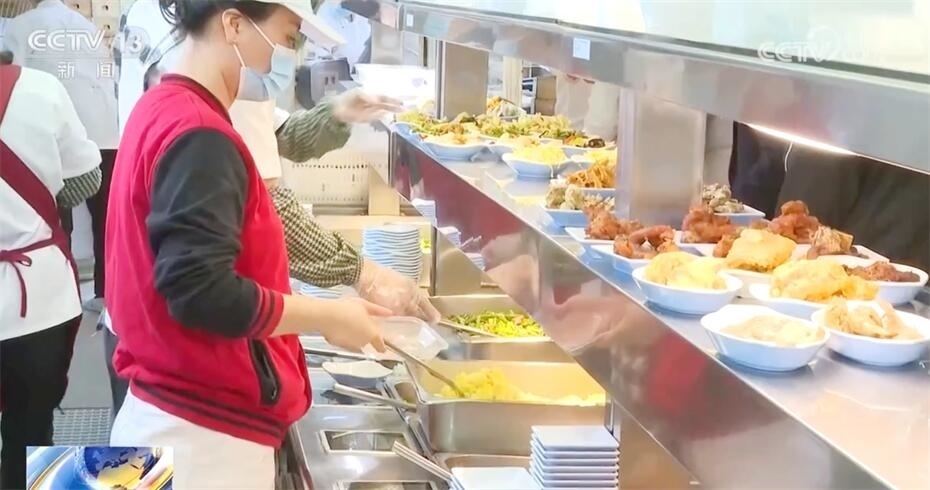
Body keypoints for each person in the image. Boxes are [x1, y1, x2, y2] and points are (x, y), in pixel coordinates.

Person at [104, 0, 435, 486]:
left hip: (165, 414)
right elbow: (201, 292)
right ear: (234, 24)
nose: (286, 54)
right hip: (203, 441)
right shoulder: (200, 135)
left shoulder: (163, 105)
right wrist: (329, 315)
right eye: (287, 36)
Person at [0, 53, 102, 489]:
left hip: (36, 293)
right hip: (37, 297)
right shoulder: (40, 88)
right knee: (30, 429)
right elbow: (87, 180)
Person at [3, 0, 119, 313]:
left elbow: (12, 81)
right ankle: (106, 293)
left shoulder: (19, 27)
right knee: (105, 220)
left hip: (56, 132)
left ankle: (64, 291)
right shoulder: (89, 28)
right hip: (105, 129)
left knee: (55, 216)